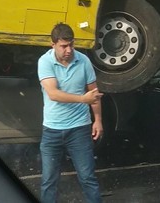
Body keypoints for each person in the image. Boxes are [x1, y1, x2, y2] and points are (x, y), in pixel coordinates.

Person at [37, 23, 104, 203]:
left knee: (87, 177)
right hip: (52, 130)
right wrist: (83, 99)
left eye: (71, 45)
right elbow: (53, 94)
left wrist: (97, 120)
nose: (69, 50)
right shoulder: (45, 62)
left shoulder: (83, 61)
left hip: (79, 129)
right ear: (53, 45)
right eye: (64, 46)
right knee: (49, 181)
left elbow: (94, 94)